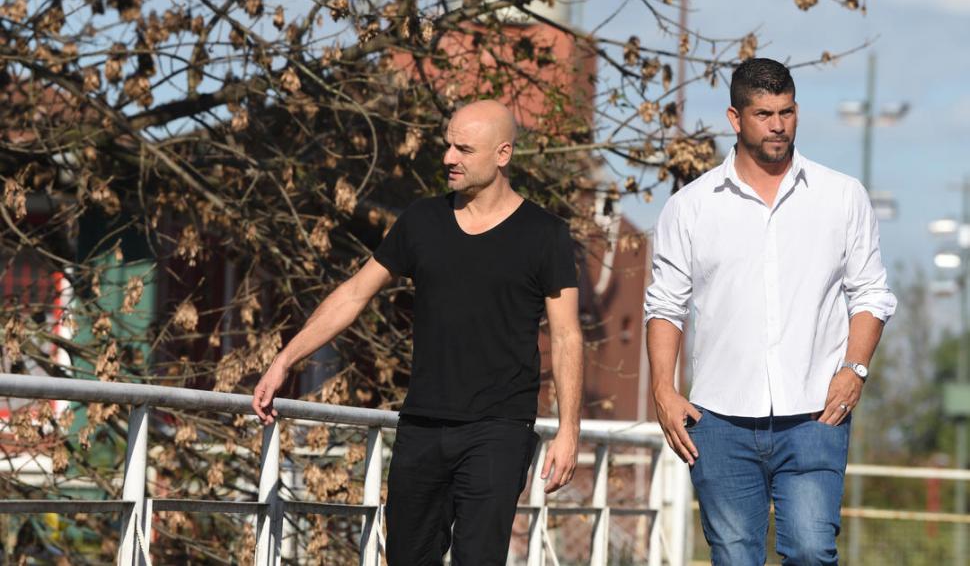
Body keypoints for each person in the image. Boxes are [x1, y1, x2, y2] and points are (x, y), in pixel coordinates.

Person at [252, 99, 584, 565]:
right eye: (448, 145)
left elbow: (567, 336)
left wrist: (569, 430)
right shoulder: (422, 221)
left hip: (499, 429)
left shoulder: (545, 234)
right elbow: (354, 295)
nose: (449, 157)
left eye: (464, 149)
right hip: (422, 425)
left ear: (503, 154)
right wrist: (285, 359)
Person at [644, 58, 897, 565]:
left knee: (811, 550)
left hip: (815, 414)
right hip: (718, 419)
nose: (778, 125)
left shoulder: (841, 196)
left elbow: (871, 293)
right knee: (734, 556)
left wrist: (855, 370)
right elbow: (665, 305)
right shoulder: (691, 207)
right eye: (763, 114)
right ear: (735, 119)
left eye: (786, 112)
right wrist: (663, 390)